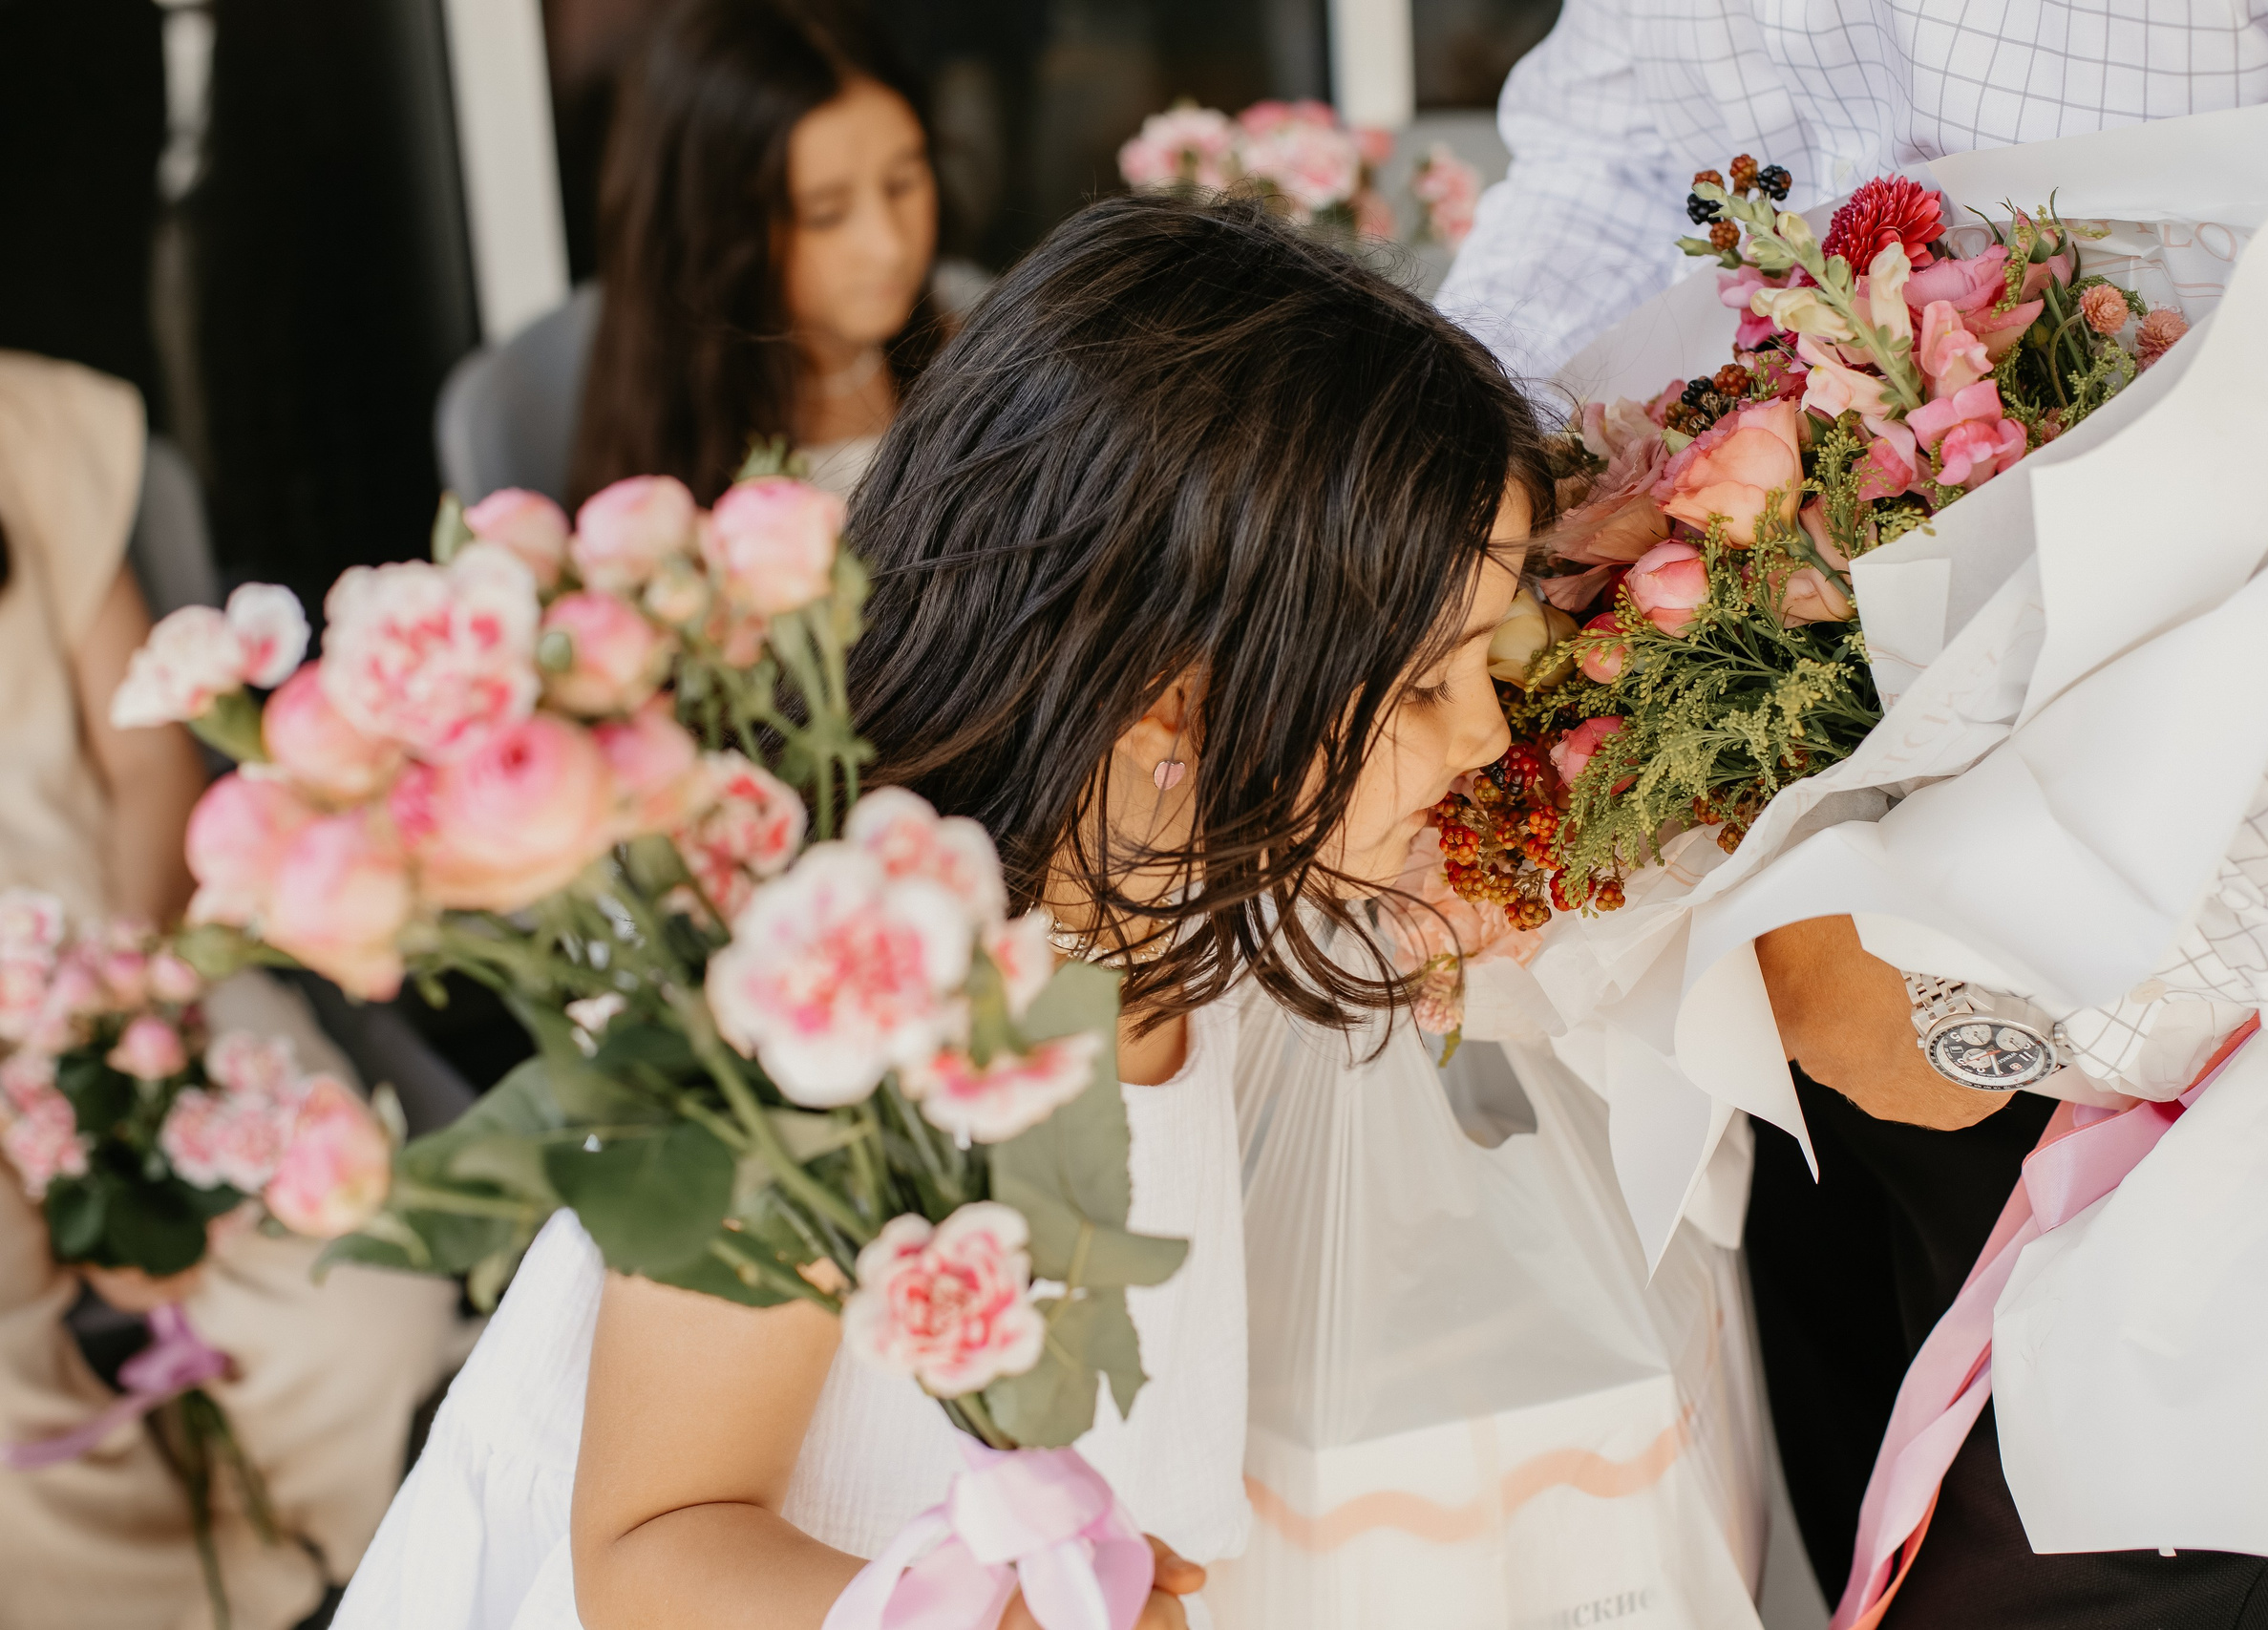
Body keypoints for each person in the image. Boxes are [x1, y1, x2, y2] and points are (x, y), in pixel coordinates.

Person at [332, 192, 1546, 1630]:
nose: (1487, 731)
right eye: (1425, 681)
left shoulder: (1175, 906)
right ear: (1173, 696)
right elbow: (648, 1549)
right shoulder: (833, 1014)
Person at [1439, 3, 2268, 1626]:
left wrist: (2002, 981)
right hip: (1772, 861)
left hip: (2211, 894)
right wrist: (1396, 544)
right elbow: (1621, 152)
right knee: (1834, 1544)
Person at [0, 350, 461, 1629]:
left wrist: (118, 1003)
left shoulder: (31, 424)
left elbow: (150, 772)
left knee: (366, 1286)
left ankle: (309, 1567)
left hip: (130, 953)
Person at [569, 0, 946, 506]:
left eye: (902, 182)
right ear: (720, 229)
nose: (890, 246)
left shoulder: (969, 342)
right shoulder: (670, 458)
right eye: (825, 213)